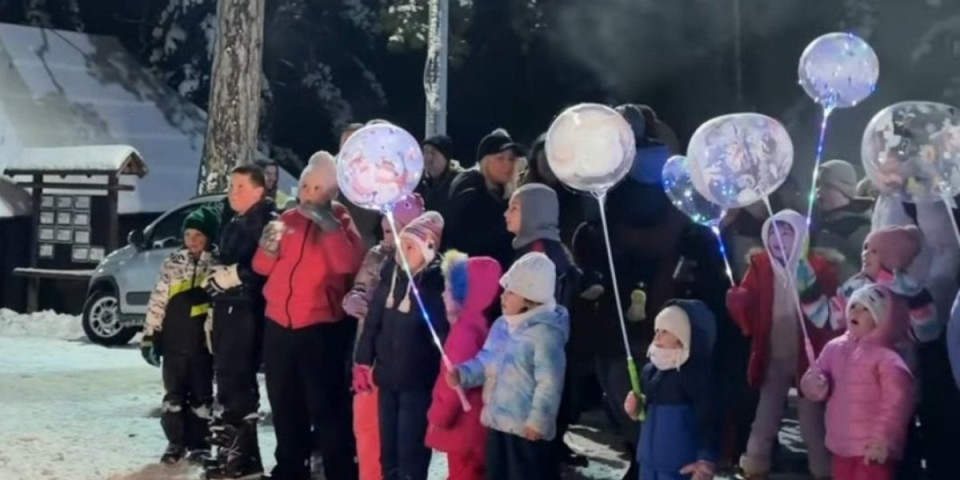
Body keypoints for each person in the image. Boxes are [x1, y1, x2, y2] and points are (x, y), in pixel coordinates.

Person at [252, 151, 365, 480]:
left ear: (331, 191)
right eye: (305, 186)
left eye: (317, 188)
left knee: (326, 407)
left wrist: (329, 226)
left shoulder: (340, 219)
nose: (308, 194)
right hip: (279, 326)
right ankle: (289, 467)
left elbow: (347, 265)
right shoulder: (286, 219)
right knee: (285, 404)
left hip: (319, 328)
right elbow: (262, 267)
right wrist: (268, 245)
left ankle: (338, 470)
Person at [726, 209, 842, 480]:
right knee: (765, 416)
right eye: (773, 232)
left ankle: (822, 470)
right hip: (773, 355)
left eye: (787, 232)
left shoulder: (818, 268)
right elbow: (749, 309)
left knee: (811, 423)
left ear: (801, 236)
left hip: (809, 358)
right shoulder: (760, 265)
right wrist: (739, 302)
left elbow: (828, 314)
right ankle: (755, 465)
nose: (779, 238)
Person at [447, 252, 569, 480]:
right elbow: (485, 361)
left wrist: (538, 421)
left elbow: (550, 383)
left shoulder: (545, 334)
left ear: (529, 296)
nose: (503, 296)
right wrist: (463, 374)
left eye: (510, 292)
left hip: (526, 430)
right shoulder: (502, 327)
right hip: (498, 422)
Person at [354, 212, 448, 480]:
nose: (403, 253)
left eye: (410, 247)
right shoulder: (390, 274)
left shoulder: (434, 283)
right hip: (386, 378)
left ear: (427, 249)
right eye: (401, 245)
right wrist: (363, 360)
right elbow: (373, 321)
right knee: (388, 451)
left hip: (417, 383)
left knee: (411, 451)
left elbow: (442, 335)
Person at [342, 193, 425, 480]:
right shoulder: (376, 255)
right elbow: (360, 288)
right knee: (366, 429)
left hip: (403, 362)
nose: (390, 235)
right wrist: (352, 299)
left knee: (401, 439)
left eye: (398, 228)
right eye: (387, 229)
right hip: (368, 357)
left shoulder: (423, 262)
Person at [201, 164, 276, 480]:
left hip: (247, 312)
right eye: (231, 186)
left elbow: (266, 267)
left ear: (259, 191)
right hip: (228, 310)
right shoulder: (236, 220)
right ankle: (236, 454)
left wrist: (235, 276)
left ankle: (242, 460)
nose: (233, 192)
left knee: (238, 383)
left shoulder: (267, 223)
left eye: (240, 187)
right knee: (227, 384)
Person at [505, 182, 588, 466]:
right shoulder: (538, 248)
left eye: (514, 208)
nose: (507, 214)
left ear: (535, 213)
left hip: (534, 370)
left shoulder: (538, 255)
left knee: (530, 456)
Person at [801, 284, 915, 480]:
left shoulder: (886, 359)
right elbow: (815, 375)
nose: (856, 312)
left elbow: (896, 404)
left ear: (882, 321)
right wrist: (814, 383)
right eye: (854, 305)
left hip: (871, 451)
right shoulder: (834, 348)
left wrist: (883, 440)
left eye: (866, 309)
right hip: (841, 446)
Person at [140, 206, 220, 465]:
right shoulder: (173, 264)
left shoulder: (217, 266)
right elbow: (157, 302)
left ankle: (200, 443)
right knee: (173, 396)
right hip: (173, 344)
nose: (193, 241)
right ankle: (175, 441)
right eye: (188, 235)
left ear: (209, 237)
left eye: (199, 235)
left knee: (201, 396)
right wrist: (150, 335)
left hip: (202, 346)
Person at [426, 250, 502, 480]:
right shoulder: (483, 327)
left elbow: (452, 387)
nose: (442, 295)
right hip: (478, 427)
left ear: (467, 294)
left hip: (463, 427)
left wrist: (437, 418)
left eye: (449, 289)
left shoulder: (464, 333)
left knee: (463, 474)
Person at [624, 300, 719, 480]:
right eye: (656, 331)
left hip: (679, 465)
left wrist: (706, 458)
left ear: (681, 336)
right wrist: (636, 408)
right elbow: (646, 412)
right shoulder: (650, 371)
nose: (657, 337)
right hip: (648, 460)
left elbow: (707, 418)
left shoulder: (693, 375)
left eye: (665, 331)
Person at [444, 128, 524, 269]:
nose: (507, 165)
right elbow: (482, 232)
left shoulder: (501, 190)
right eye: (500, 158)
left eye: (511, 159)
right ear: (485, 161)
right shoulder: (468, 184)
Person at [812, 160, 873, 278]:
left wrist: (841, 263)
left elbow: (871, 271)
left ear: (844, 190)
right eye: (817, 185)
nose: (818, 191)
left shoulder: (861, 229)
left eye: (827, 186)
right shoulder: (817, 224)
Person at [420, 135, 463, 217]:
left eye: (433, 152)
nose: (428, 158)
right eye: (425, 152)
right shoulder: (422, 184)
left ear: (446, 157)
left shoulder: (460, 183)